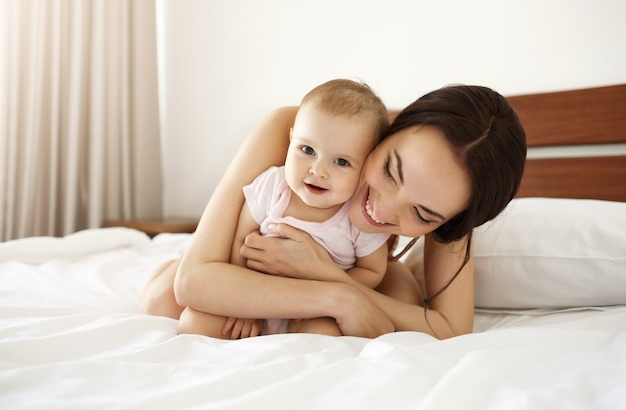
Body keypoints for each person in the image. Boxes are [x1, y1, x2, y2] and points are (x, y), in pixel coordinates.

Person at [139, 83, 527, 340]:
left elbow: (448, 329)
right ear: (394, 130)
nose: (382, 210)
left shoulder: (461, 187)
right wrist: (339, 298)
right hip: (259, 256)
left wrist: (328, 276)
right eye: (390, 170)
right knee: (162, 300)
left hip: (355, 264)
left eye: (422, 216)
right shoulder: (299, 131)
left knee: (402, 296)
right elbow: (194, 280)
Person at [187, 79, 392, 338]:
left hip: (313, 311)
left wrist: (333, 287)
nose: (318, 170)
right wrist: (240, 303)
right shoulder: (274, 186)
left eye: (341, 161)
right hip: (257, 297)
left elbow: (373, 270)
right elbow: (240, 240)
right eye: (307, 150)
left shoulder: (358, 217)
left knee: (322, 336)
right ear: (291, 139)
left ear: (366, 169)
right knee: (195, 323)